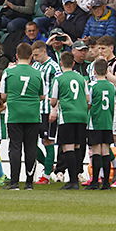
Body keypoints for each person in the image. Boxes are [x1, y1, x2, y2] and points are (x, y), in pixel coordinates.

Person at [0, 43, 45, 190]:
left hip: (14, 114)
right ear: (31, 56)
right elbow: (42, 95)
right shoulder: (38, 73)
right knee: (31, 147)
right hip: (32, 114)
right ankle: (29, 183)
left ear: (17, 56)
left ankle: (14, 182)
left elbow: (3, 95)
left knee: (15, 147)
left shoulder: (8, 72)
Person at [87, 36, 116, 188]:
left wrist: (104, 72)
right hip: (100, 110)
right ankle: (103, 176)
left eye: (103, 48)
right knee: (99, 145)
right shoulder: (94, 64)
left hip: (115, 108)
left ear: (111, 48)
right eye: (99, 48)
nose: (100, 51)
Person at [50, 51, 88, 190]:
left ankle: (72, 181)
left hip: (68, 115)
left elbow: (54, 101)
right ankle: (77, 175)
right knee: (78, 146)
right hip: (82, 115)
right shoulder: (81, 78)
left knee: (67, 147)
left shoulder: (59, 78)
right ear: (73, 63)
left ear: (61, 63)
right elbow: (88, 99)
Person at [31, 41, 61, 185]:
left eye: (37, 54)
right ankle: (50, 166)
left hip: (48, 110)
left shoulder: (54, 67)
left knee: (48, 141)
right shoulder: (35, 65)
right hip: (35, 109)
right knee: (30, 141)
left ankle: (47, 176)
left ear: (44, 51)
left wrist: (55, 109)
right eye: (33, 55)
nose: (35, 57)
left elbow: (59, 88)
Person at [86, 58, 116, 190]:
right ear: (107, 71)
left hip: (95, 122)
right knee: (105, 150)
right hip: (108, 121)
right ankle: (106, 183)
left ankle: (95, 181)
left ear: (94, 70)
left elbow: (89, 103)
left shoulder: (92, 86)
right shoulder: (111, 86)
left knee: (96, 151)